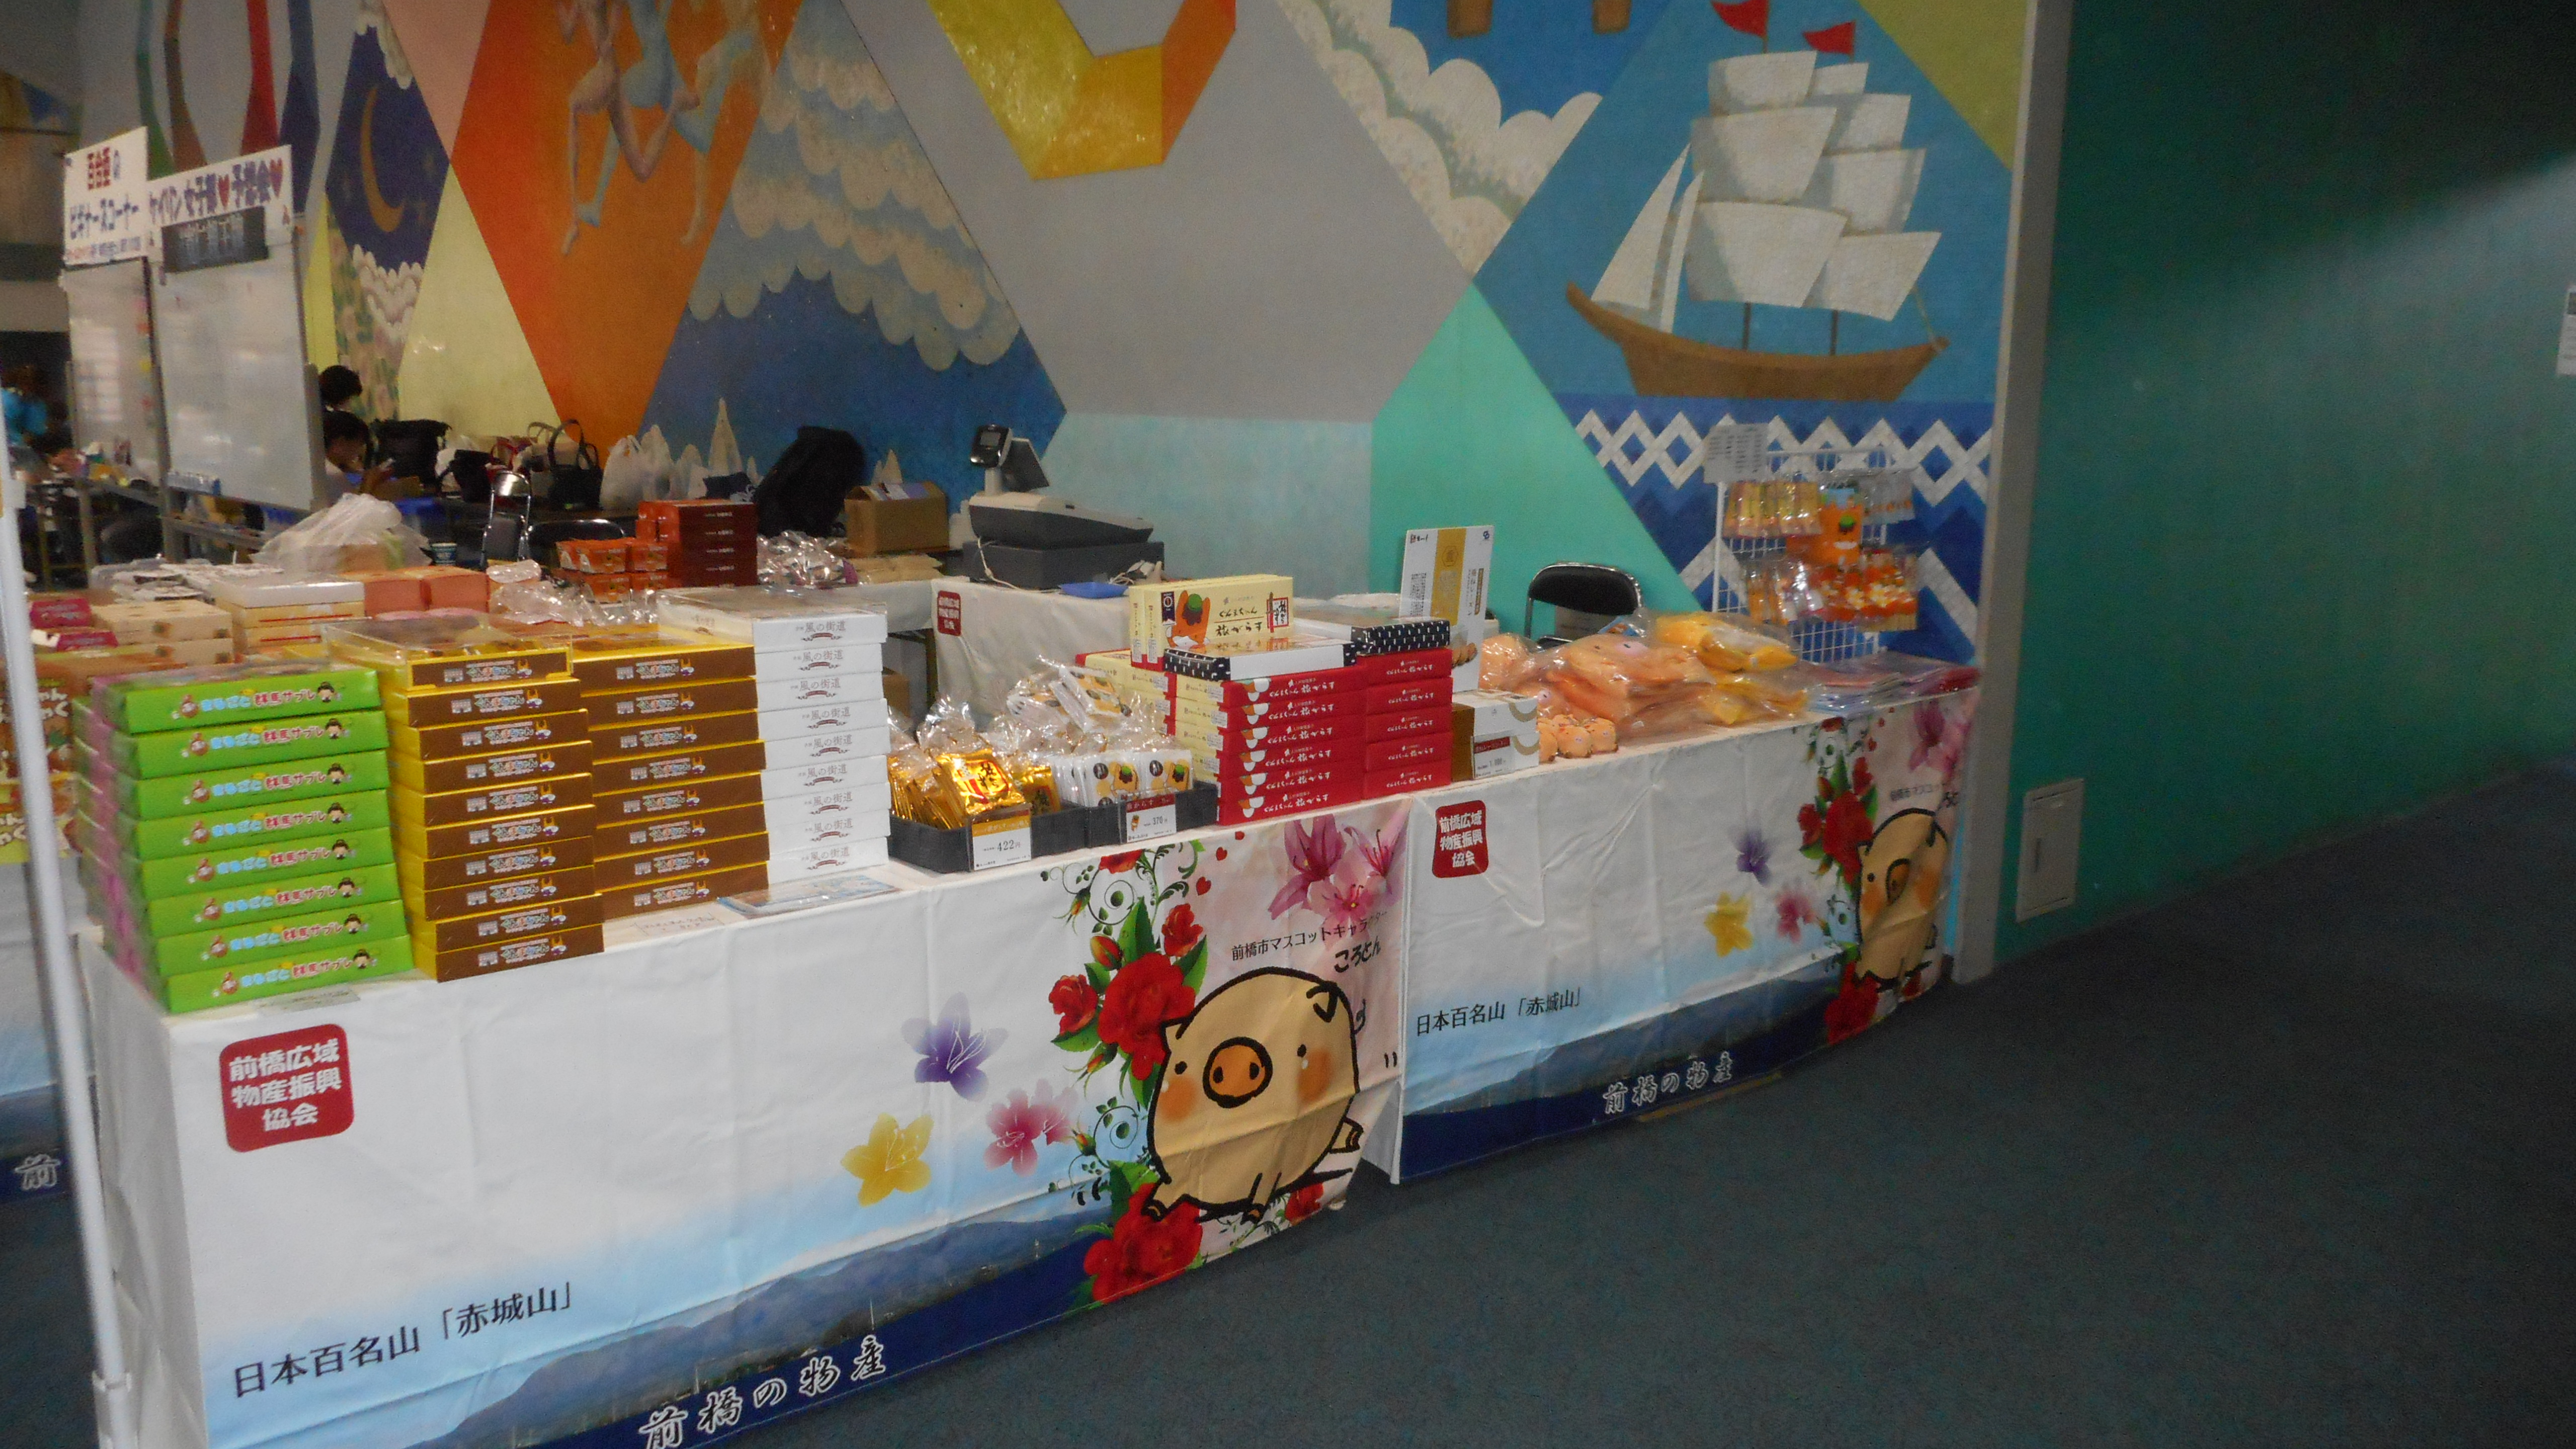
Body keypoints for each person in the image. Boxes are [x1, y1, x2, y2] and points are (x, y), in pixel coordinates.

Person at [323, 411, 391, 501]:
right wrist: (368, 482)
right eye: (359, 444)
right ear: (341, 443)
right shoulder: (333, 475)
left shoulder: (321, 467)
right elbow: (356, 508)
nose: (359, 451)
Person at [3, 365, 49, 448]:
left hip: (17, 448)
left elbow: (35, 433)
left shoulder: (36, 404)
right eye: (24, 380)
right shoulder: (7, 399)